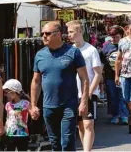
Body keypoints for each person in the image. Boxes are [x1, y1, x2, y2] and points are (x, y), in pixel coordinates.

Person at [30, 22, 90, 151]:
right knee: (54, 142)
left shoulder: (73, 52)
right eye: (42, 34)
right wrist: (33, 105)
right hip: (48, 106)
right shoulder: (40, 55)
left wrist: (84, 101)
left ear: (58, 35)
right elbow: (36, 81)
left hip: (68, 105)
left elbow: (84, 78)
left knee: (67, 140)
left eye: (47, 34)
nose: (43, 36)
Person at [67, 20, 103, 152]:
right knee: (81, 126)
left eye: (71, 32)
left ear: (80, 32)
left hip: (88, 92)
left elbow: (98, 73)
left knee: (88, 124)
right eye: (68, 32)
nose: (69, 35)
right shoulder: (69, 51)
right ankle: (86, 148)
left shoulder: (91, 50)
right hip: (73, 93)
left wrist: (89, 92)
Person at [103, 25, 129, 125]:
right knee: (112, 96)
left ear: (121, 36)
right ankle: (115, 115)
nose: (114, 39)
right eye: (112, 37)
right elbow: (103, 60)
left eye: (116, 37)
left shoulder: (125, 44)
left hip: (124, 75)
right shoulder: (106, 45)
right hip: (110, 76)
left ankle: (124, 115)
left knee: (122, 96)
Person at [3, 79, 30, 151]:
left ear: (13, 93)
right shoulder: (8, 105)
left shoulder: (25, 103)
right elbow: (8, 118)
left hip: (23, 134)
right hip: (10, 134)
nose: (4, 95)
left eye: (6, 93)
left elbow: (33, 114)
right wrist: (4, 128)